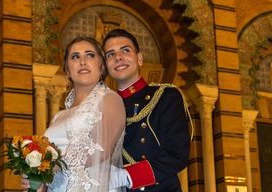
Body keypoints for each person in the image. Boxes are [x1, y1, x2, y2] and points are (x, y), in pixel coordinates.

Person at [24, 36, 127, 192]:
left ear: (101, 66)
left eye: (90, 55)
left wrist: (48, 167)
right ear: (68, 70)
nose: (82, 61)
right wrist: (36, 179)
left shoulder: (110, 99)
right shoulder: (58, 117)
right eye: (75, 56)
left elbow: (100, 149)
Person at [102, 29, 190, 192]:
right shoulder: (103, 110)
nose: (118, 57)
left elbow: (177, 154)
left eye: (125, 50)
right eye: (110, 54)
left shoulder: (165, 96)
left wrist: (127, 176)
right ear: (106, 66)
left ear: (140, 58)